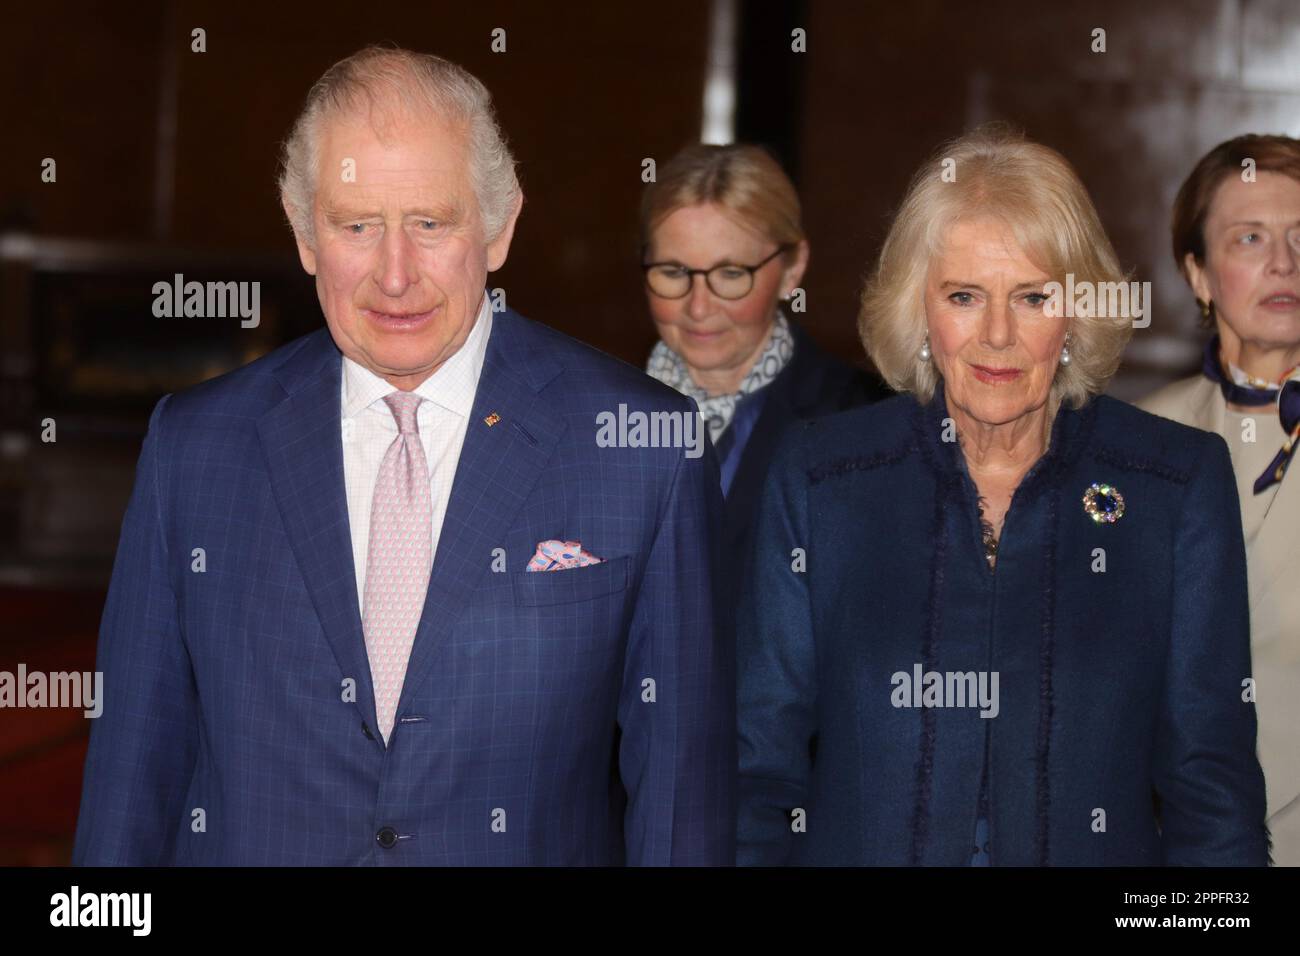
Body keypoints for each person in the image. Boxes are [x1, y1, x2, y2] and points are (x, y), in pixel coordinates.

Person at [72, 45, 734, 866]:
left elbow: (680, 805)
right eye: (356, 225)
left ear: (500, 227)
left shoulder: (643, 449)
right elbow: (131, 777)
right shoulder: (195, 448)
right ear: (303, 229)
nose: (394, 276)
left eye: (430, 222)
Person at [737, 125, 1269, 866]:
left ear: (1077, 314)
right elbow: (758, 776)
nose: (996, 335)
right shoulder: (823, 478)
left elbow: (1210, 790)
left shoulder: (1173, 483)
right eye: (963, 295)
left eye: (1031, 297)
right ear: (919, 311)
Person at [1139, 133, 1300, 865]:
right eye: (1250, 238)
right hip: (1181, 850)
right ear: (1198, 275)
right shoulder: (1140, 440)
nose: (1284, 263)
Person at [642, 144, 886, 603]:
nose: (698, 306)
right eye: (674, 271)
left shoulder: (862, 423)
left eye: (731, 274)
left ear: (792, 269)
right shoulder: (593, 416)